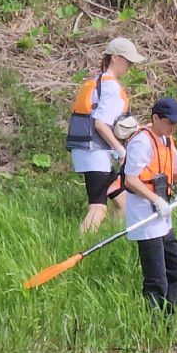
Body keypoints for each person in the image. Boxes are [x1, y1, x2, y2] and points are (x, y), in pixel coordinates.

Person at [122, 97, 177, 314]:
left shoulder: (166, 139)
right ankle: (154, 323)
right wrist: (155, 200)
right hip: (144, 218)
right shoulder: (142, 141)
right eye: (170, 123)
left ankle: (168, 314)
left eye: (176, 124)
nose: (173, 127)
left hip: (163, 217)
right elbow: (131, 179)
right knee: (157, 278)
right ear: (156, 118)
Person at [66, 37, 143, 234]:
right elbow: (100, 123)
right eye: (128, 61)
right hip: (94, 152)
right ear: (115, 58)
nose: (130, 66)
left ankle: (111, 239)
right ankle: (80, 247)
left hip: (86, 150)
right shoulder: (112, 87)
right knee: (98, 207)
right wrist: (120, 150)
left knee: (123, 201)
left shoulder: (97, 81)